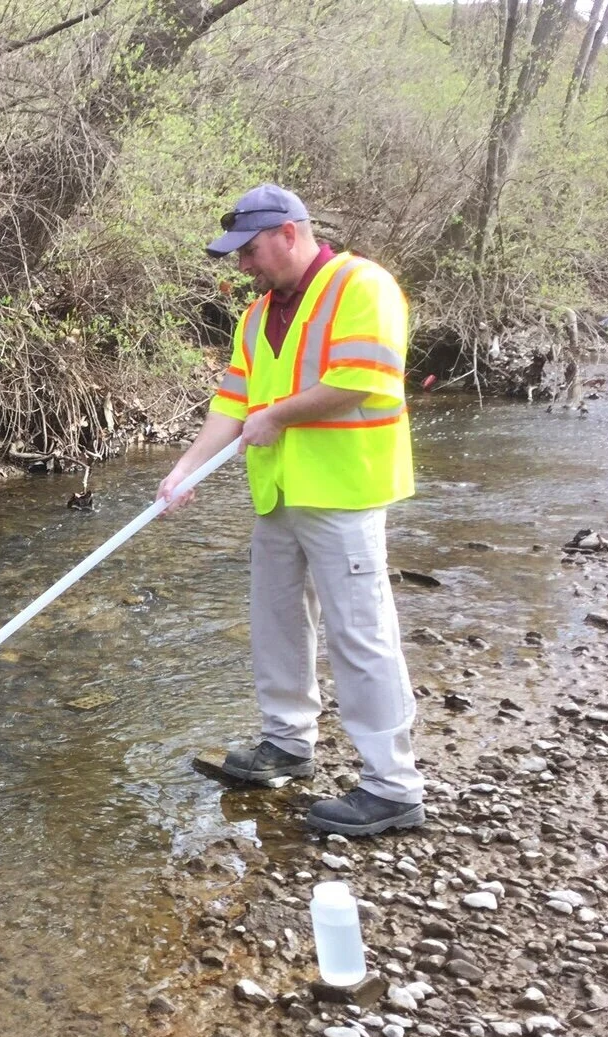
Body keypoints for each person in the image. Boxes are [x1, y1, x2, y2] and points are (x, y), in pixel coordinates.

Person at [157, 183, 425, 837]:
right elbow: (233, 402)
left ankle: (393, 787)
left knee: (360, 636)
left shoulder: (363, 286)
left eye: (249, 251)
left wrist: (276, 415)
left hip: (346, 491)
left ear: (289, 233)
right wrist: (185, 469)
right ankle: (287, 745)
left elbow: (360, 379)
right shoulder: (255, 318)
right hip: (278, 493)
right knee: (276, 621)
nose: (243, 266)